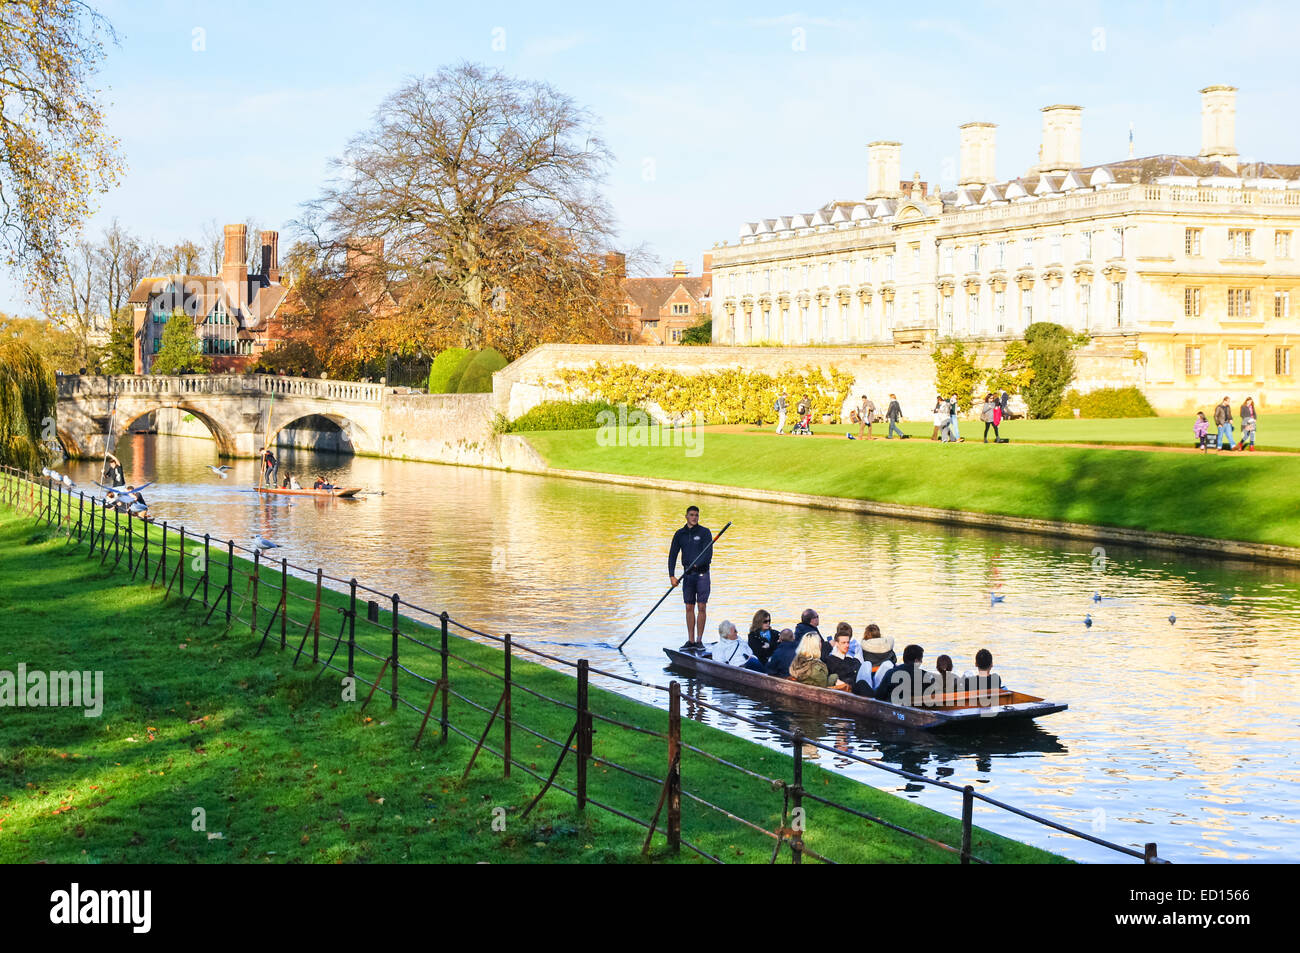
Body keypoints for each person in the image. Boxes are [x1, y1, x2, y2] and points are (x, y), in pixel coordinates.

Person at [669, 505, 714, 652]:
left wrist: (696, 565)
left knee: (701, 606)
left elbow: (708, 556)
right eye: (692, 515)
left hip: (702, 575)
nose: (694, 517)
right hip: (687, 577)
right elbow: (673, 555)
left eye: (696, 515)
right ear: (686, 516)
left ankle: (699, 641)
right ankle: (691, 640)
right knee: (689, 607)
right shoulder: (679, 534)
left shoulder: (705, 532)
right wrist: (672, 576)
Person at [853, 627, 897, 696]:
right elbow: (894, 660)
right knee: (887, 664)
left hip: (867, 685)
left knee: (866, 664)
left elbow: (857, 664)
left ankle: (870, 693)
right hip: (881, 683)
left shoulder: (862, 647)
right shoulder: (888, 647)